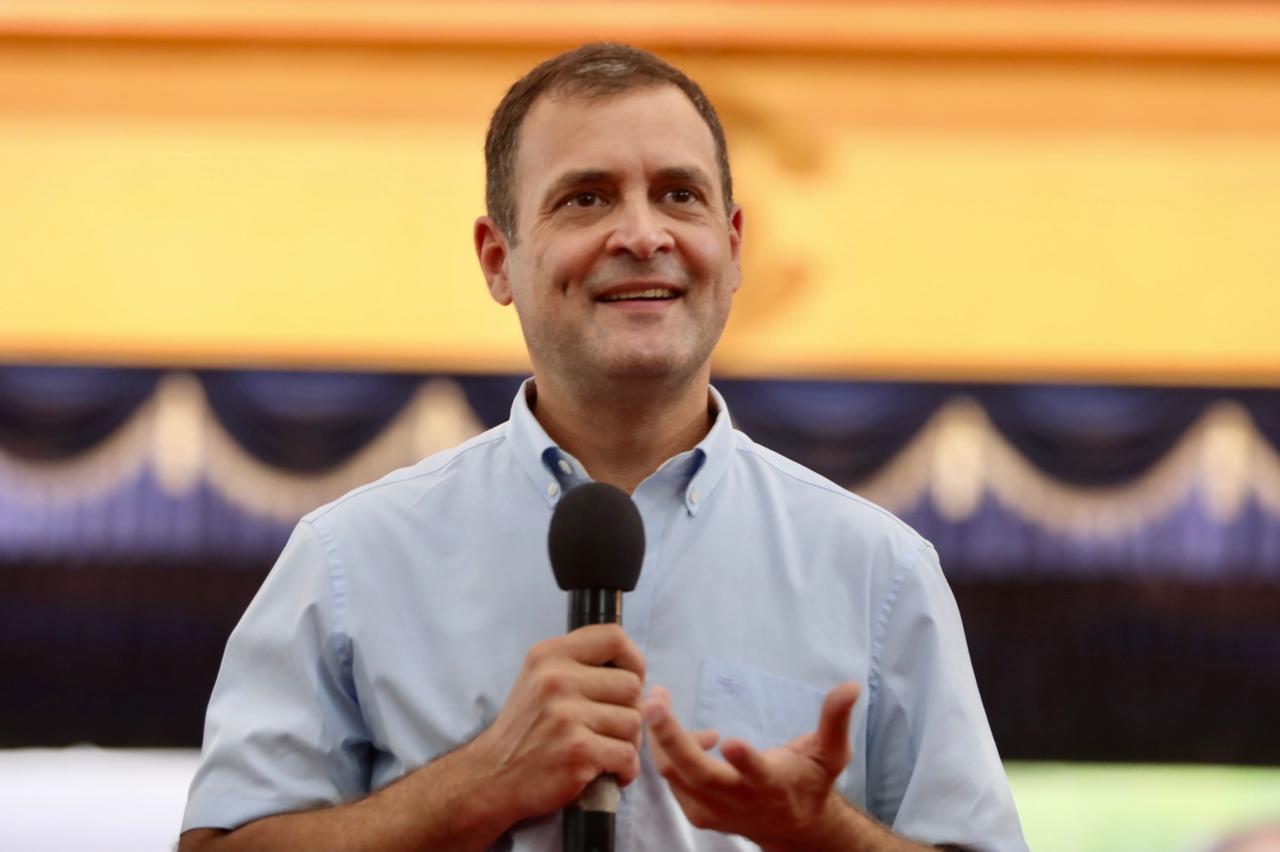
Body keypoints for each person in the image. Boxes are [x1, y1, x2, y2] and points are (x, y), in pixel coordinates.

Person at [179, 43, 1026, 851]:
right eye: (586, 197)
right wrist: (477, 783)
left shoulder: (881, 573)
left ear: (732, 250)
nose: (642, 234)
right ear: (497, 258)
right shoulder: (348, 561)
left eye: (678, 195)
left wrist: (819, 834)